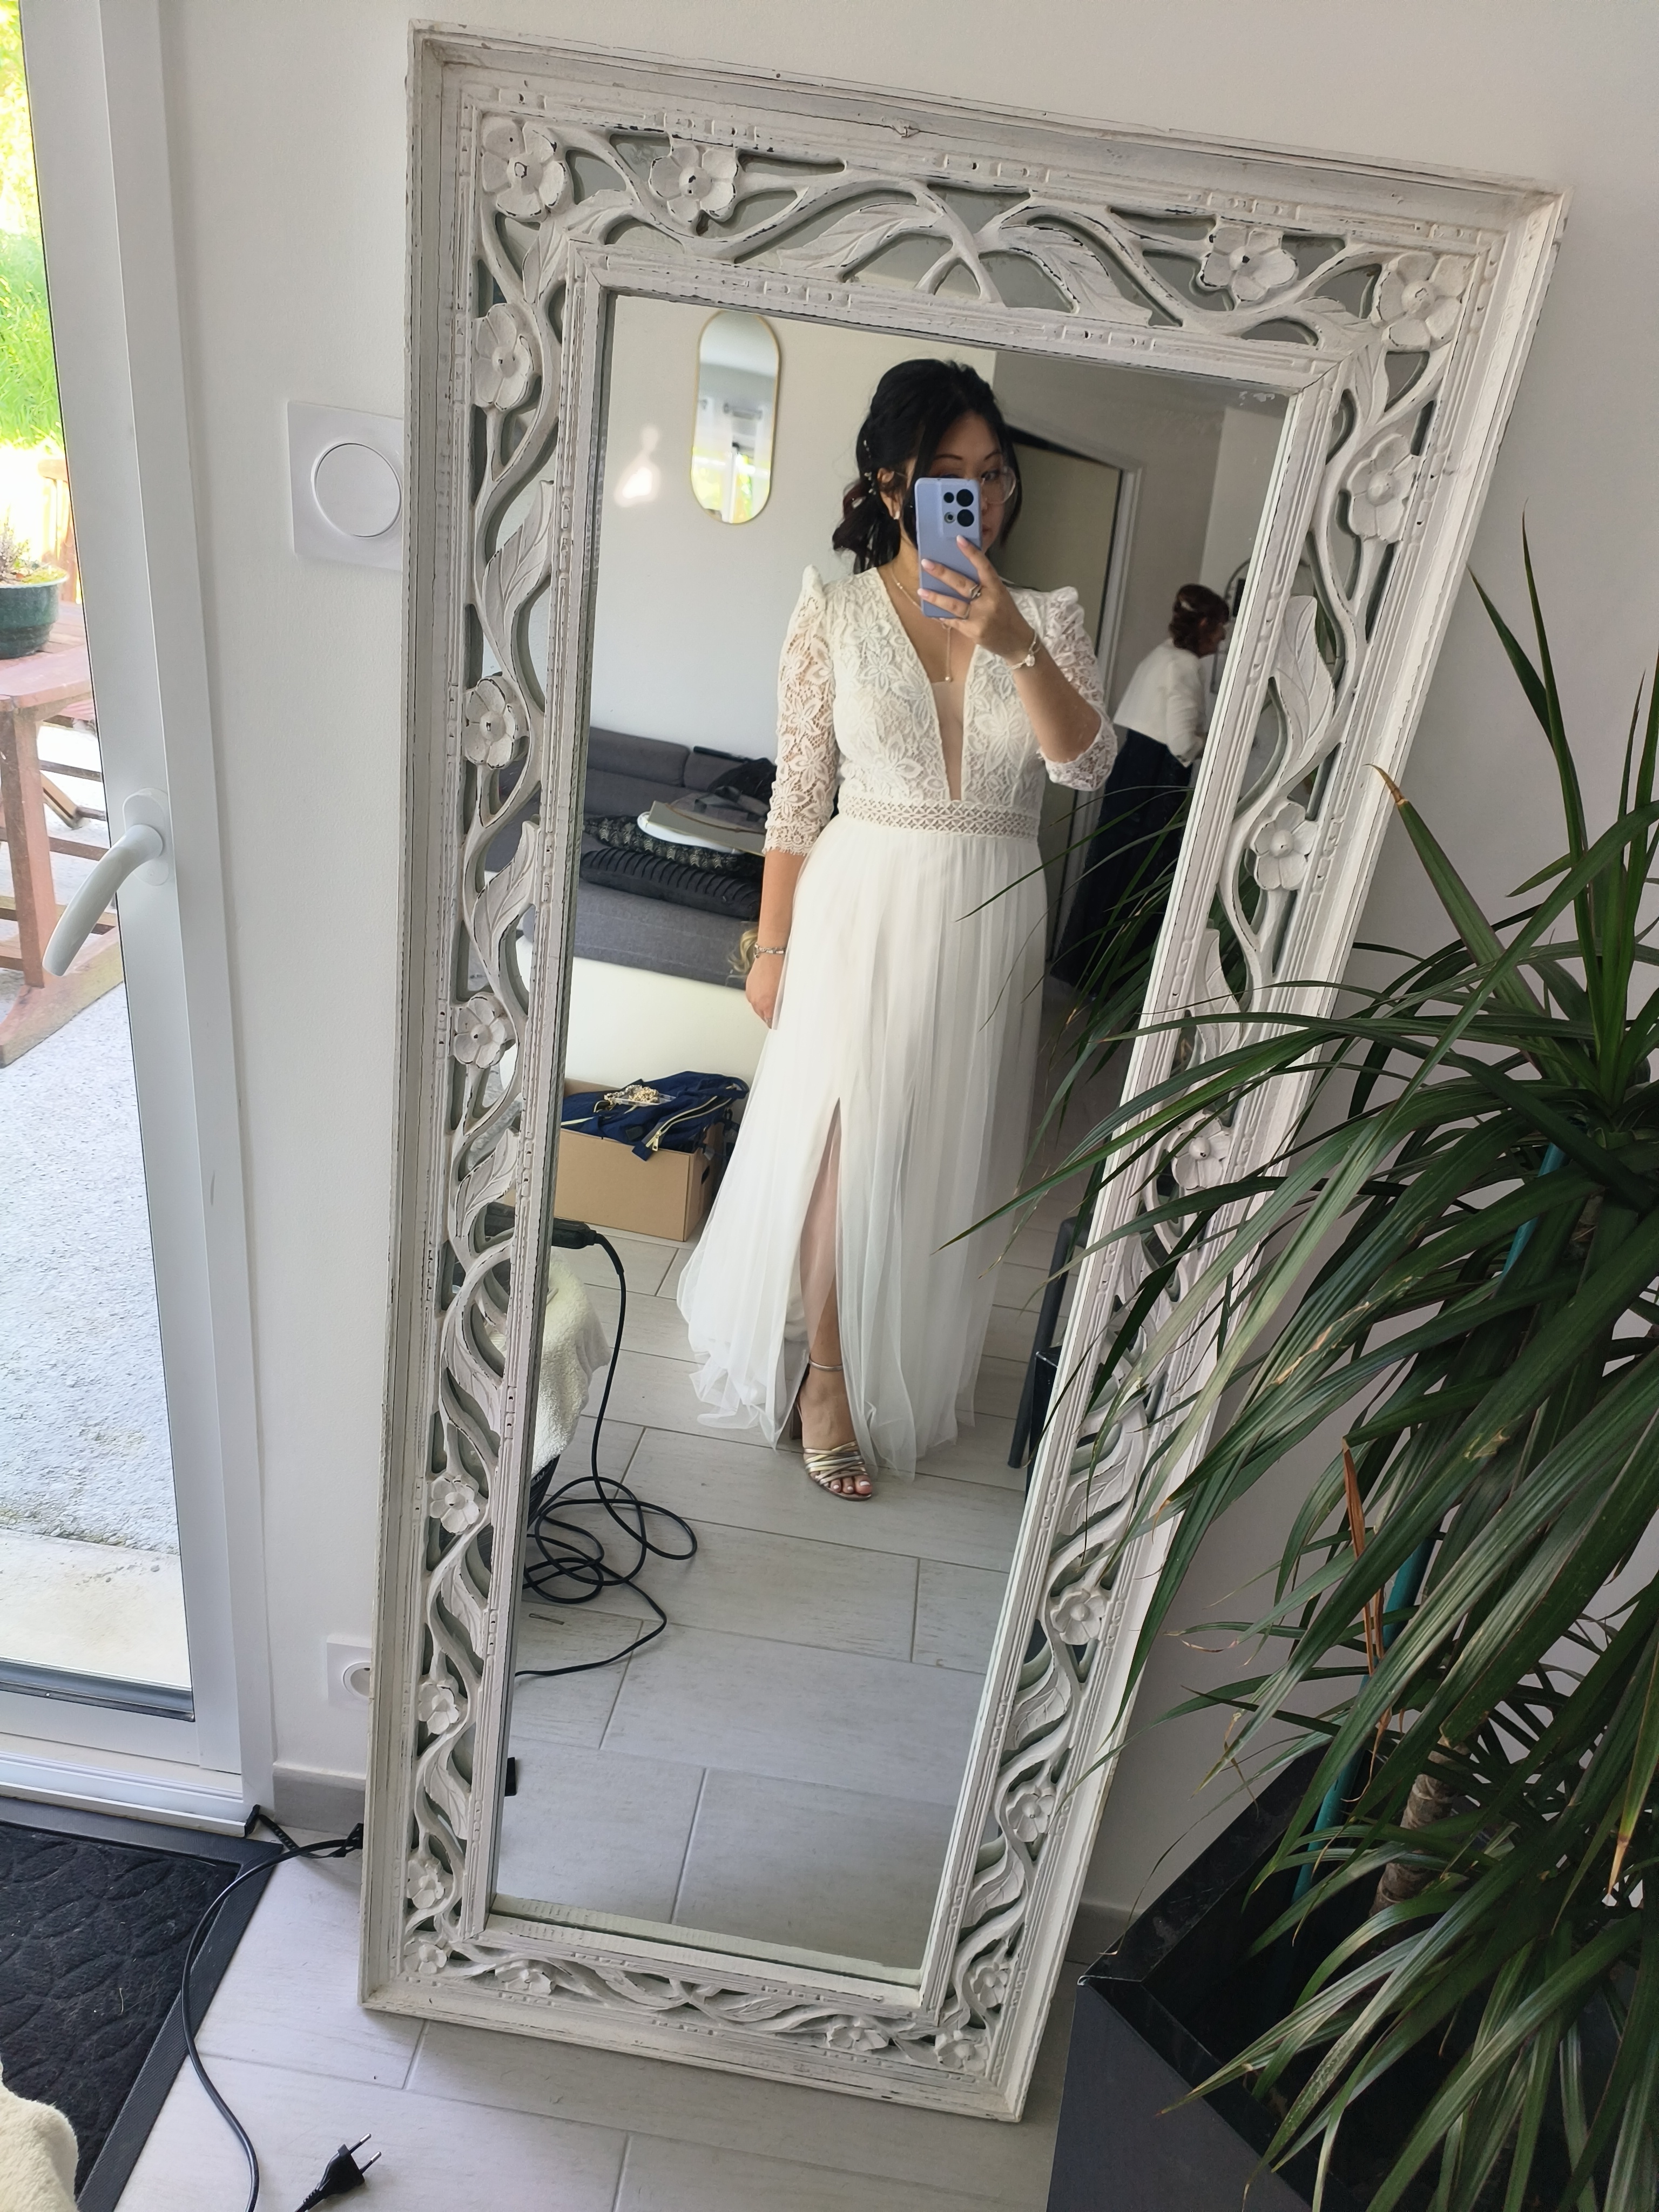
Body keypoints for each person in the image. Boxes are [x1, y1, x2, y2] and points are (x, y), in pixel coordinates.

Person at [676, 360, 1115, 1499]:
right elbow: (795, 799)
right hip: (861, 900)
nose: (982, 495)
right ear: (890, 483)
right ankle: (826, 1372)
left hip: (993, 916)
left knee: (933, 1153)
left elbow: (1086, 766)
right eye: (950, 473)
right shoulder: (831, 615)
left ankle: (885, 1342)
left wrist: (1017, 643)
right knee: (844, 1137)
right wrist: (771, 948)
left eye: (994, 473)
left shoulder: (1050, 618)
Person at [1051, 583, 1231, 987]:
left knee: (1109, 869)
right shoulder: (1185, 665)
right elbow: (1182, 744)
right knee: (1141, 878)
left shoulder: (1159, 655)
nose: (1222, 637)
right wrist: (1220, 742)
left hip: (1129, 772)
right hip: (1155, 783)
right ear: (1205, 624)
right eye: (1221, 627)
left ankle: (1085, 972)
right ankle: (1116, 981)